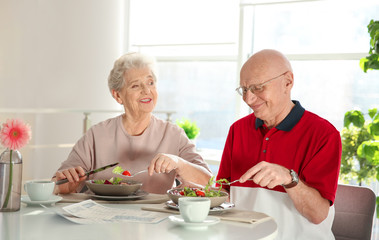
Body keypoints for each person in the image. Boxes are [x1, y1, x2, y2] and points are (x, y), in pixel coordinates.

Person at [216, 49, 341, 239]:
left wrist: (289, 179)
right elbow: (224, 193)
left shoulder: (324, 134)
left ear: (287, 82)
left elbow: (318, 215)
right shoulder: (237, 130)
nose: (248, 99)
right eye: (244, 89)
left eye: (258, 87)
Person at [53, 52, 212, 194]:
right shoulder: (97, 135)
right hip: (102, 221)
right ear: (118, 96)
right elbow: (58, 182)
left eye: (150, 83)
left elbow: (209, 183)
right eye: (136, 85)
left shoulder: (173, 135)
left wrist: (179, 163)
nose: (146, 90)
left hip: (154, 222)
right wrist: (64, 186)